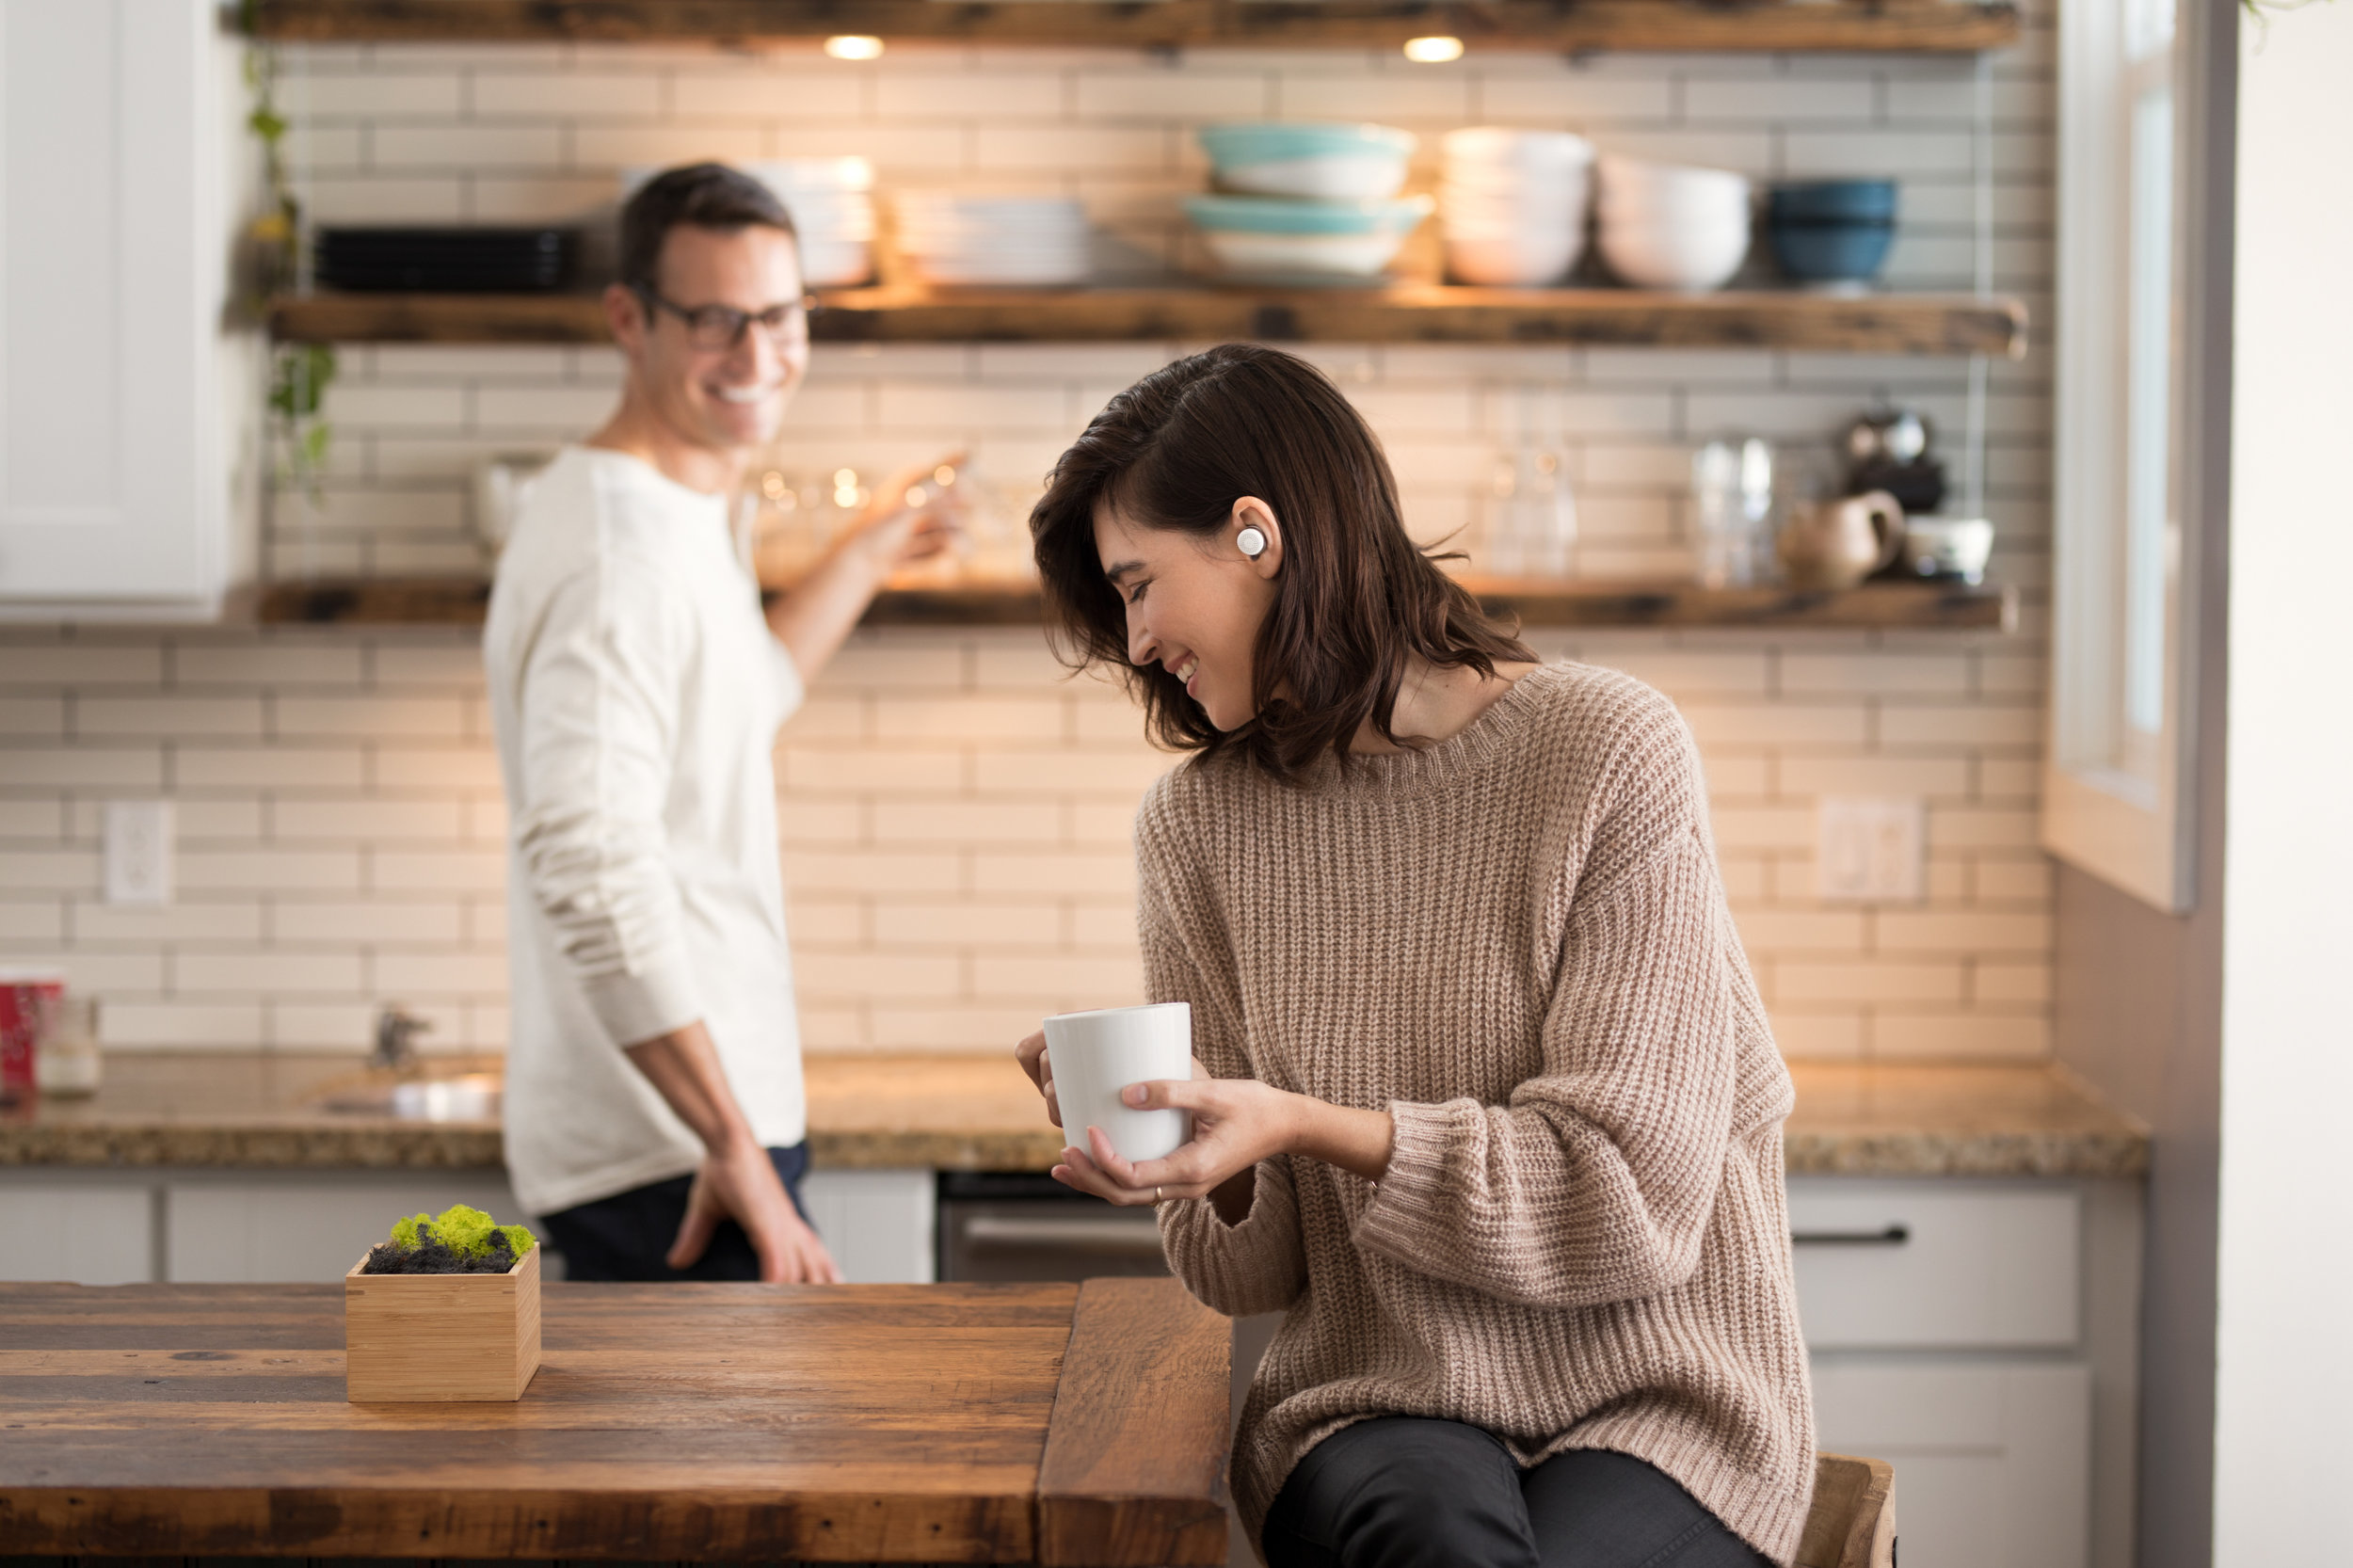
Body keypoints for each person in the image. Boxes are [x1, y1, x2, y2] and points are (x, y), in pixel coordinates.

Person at [1014, 344, 1814, 1568]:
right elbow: (1255, 1270)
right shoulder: (1198, 827)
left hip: (1661, 1395)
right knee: (1433, 1534)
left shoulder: (1607, 751)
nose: (1133, 644)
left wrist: (1306, 1123)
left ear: (1253, 536)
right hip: (1378, 1396)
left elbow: (1627, 1199)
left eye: (1137, 585)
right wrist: (1186, 1148)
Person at [484, 164, 959, 1283]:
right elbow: (589, 866)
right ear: (628, 319)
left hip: (689, 1134)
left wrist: (874, 548)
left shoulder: (675, 508)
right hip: (676, 1159)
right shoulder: (619, 557)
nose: (757, 357)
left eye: (780, 316)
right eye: (714, 321)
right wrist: (729, 1139)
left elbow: (745, 693)